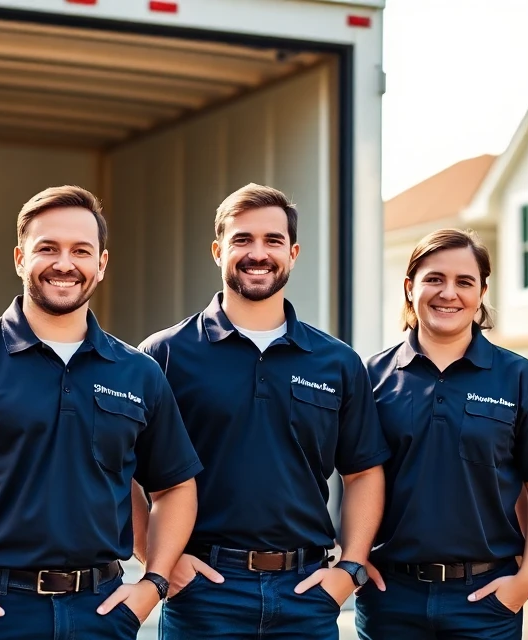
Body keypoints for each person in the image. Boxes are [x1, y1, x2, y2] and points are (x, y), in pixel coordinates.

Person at [0, 186, 203, 639]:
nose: (64, 264)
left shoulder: (138, 373)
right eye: (47, 248)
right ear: (20, 258)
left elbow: (176, 486)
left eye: (81, 251)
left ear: (101, 265)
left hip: (101, 613)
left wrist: (152, 584)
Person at [137, 183, 390, 640]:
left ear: (293, 253)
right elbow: (120, 470)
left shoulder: (336, 362)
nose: (259, 253)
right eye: (242, 240)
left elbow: (364, 473)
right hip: (203, 593)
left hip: (306, 593)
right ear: (217, 251)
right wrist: (159, 564)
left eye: (273, 241)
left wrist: (349, 568)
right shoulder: (164, 354)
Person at [357, 229, 528, 640]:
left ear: (481, 292)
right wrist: (352, 558)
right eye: (434, 279)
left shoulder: (519, 377)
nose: (449, 293)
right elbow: (345, 474)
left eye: (464, 282)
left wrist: (527, 578)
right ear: (410, 288)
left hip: (485, 599)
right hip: (390, 598)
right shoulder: (369, 377)